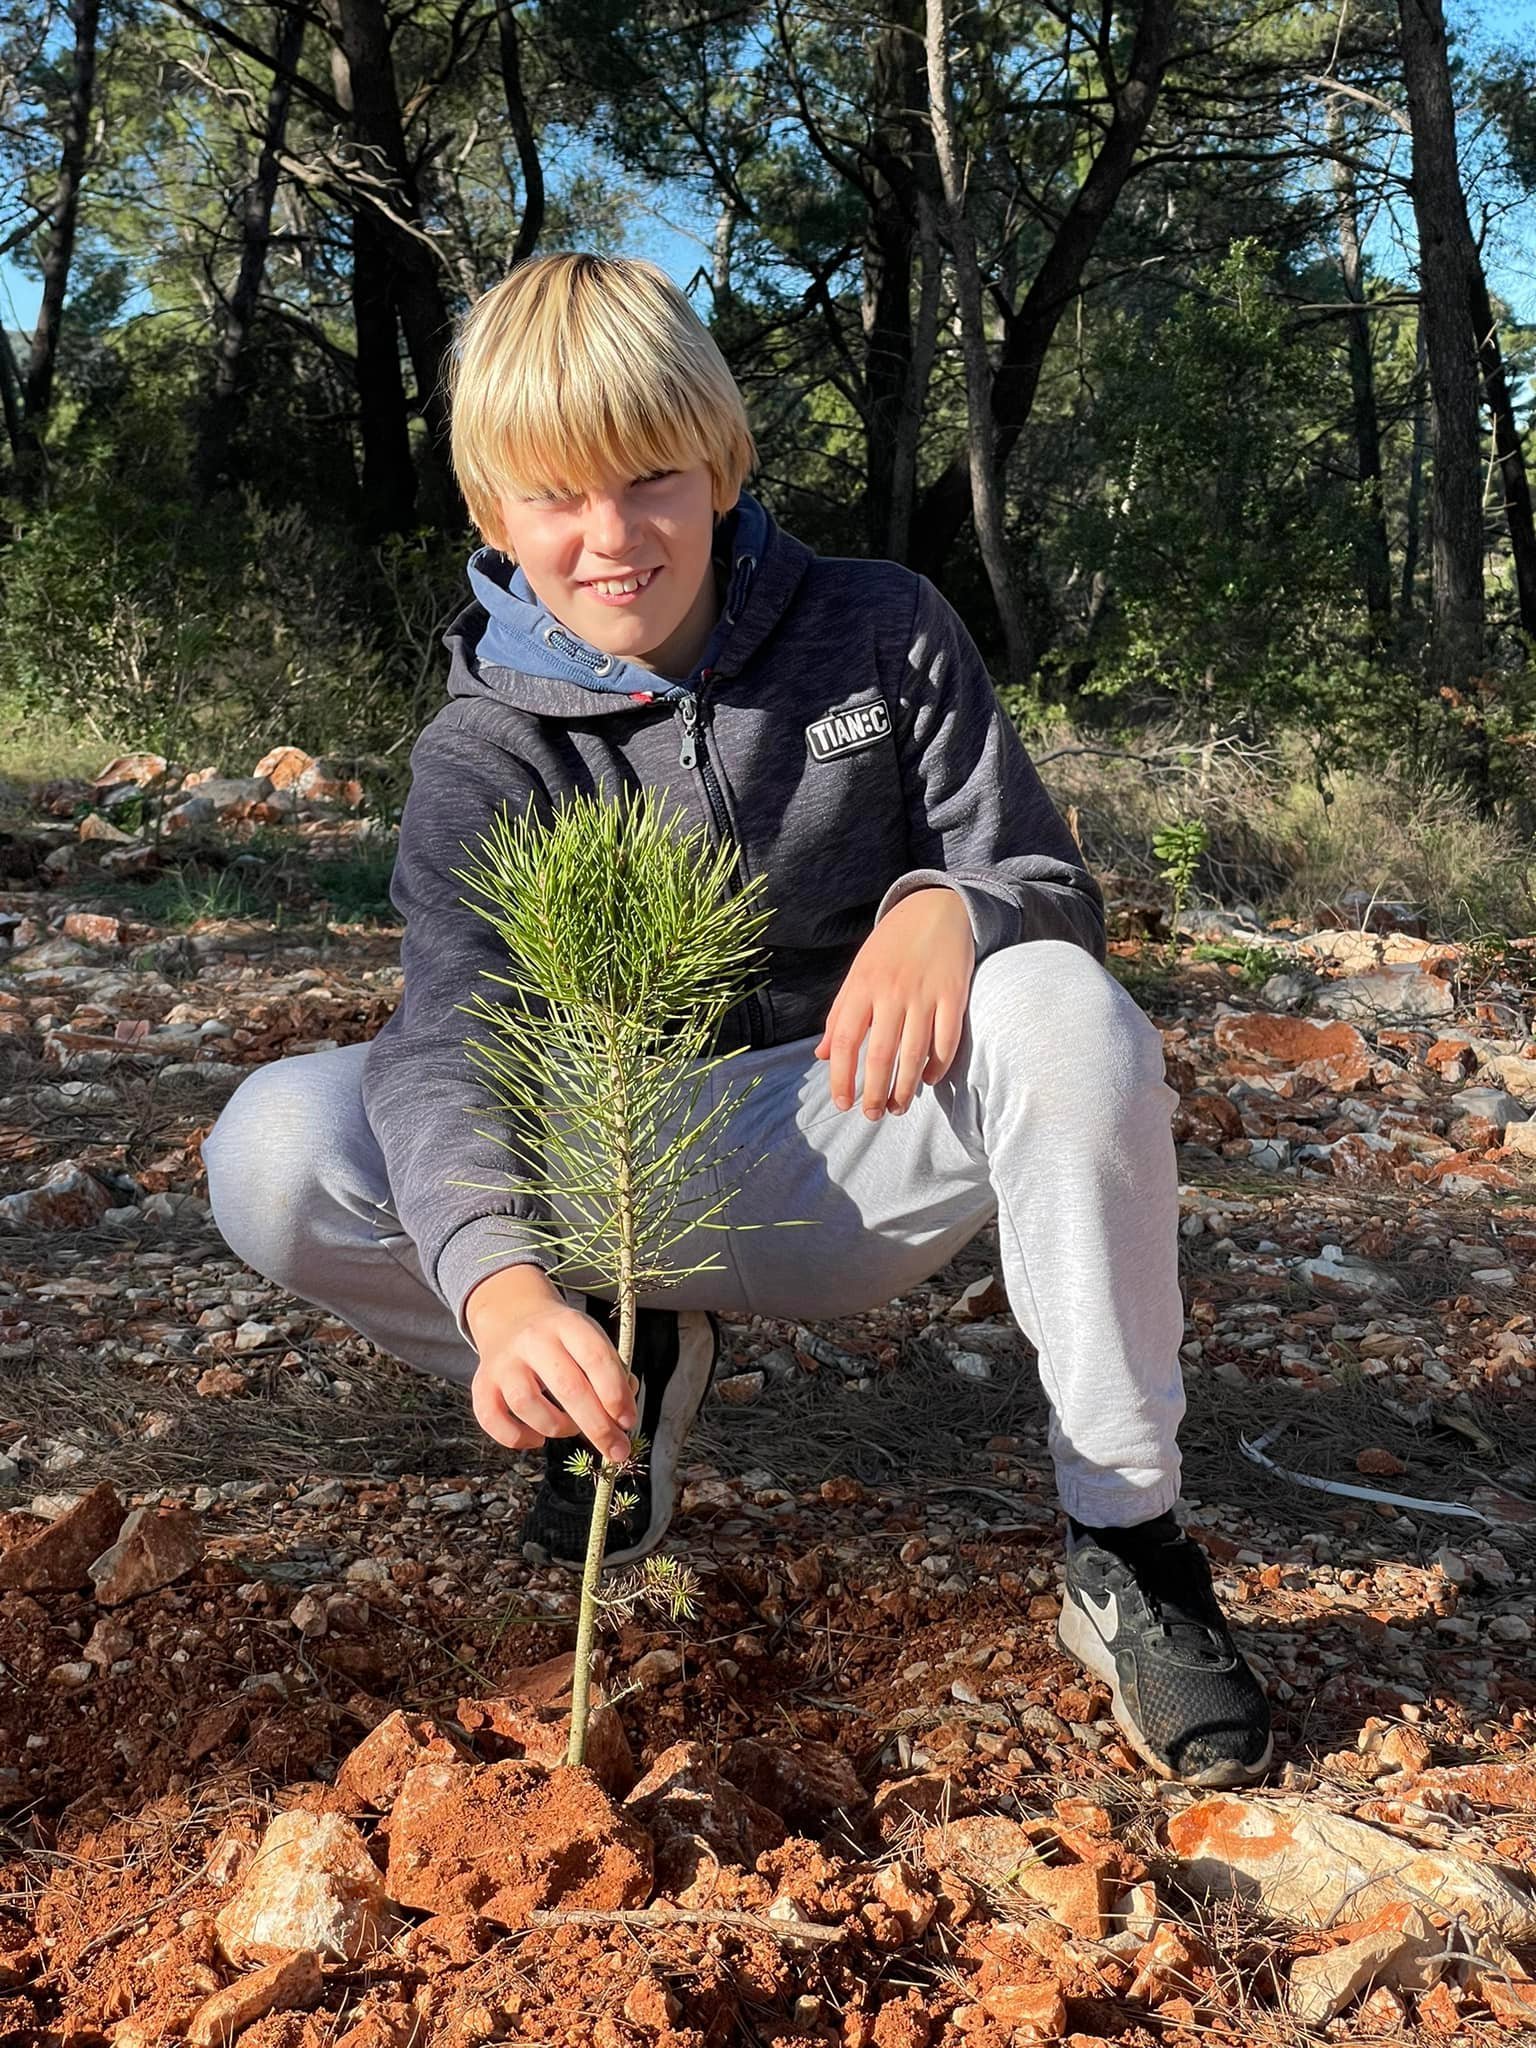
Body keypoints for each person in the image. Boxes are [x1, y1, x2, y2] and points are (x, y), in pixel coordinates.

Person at [203, 251, 1272, 1787]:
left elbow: (1043, 876)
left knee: (1059, 1002)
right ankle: (618, 1359)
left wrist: (952, 910)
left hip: (850, 1136)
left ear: (722, 461)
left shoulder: (883, 628)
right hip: (606, 1171)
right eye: (556, 497)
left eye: (650, 478)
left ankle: (1128, 1543)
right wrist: (500, 1290)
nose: (612, 536)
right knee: (277, 1139)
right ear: (491, 515)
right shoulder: (484, 747)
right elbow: (447, 1034)